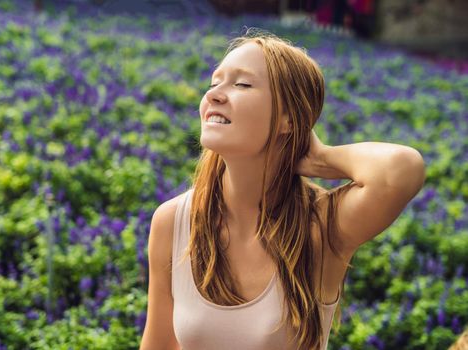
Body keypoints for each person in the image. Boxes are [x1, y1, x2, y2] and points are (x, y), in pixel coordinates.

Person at [140, 28, 426, 350]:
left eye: (242, 84)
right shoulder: (173, 221)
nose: (214, 95)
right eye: (214, 82)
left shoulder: (321, 225)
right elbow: (158, 344)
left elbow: (401, 171)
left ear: (287, 120)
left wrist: (320, 158)